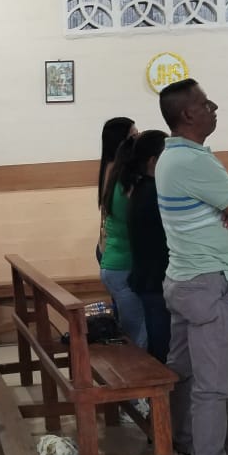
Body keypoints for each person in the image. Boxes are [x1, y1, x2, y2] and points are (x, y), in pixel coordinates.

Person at [155, 79, 228, 455]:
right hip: (208, 282)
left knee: (184, 373)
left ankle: (185, 450)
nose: (213, 106)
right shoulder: (193, 162)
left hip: (187, 279)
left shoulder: (179, 156)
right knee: (213, 384)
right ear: (188, 114)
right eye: (205, 103)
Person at [99, 130, 149, 349]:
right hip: (123, 266)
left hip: (115, 263)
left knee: (135, 330)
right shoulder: (129, 189)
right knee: (138, 335)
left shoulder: (117, 181)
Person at [124, 130, 171, 363]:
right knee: (162, 347)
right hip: (156, 280)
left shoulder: (141, 187)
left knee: (159, 341)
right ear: (153, 161)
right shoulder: (154, 191)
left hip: (149, 277)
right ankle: (163, 385)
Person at [96, 117, 137, 263]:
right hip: (115, 251)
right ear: (121, 142)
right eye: (133, 136)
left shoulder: (109, 166)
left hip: (107, 246)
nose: (137, 140)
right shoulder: (119, 171)